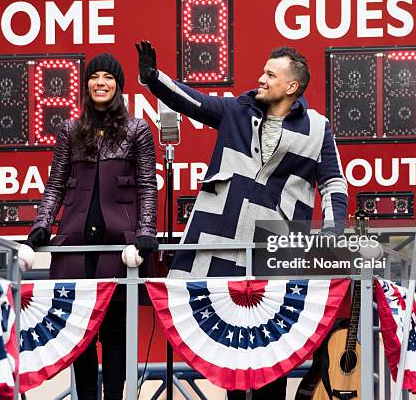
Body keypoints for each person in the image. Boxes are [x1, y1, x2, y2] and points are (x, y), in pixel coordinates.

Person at [136, 41, 348, 399]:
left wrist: (331, 233)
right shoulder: (237, 110)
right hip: (224, 250)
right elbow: (193, 101)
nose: (260, 79)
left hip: (277, 256)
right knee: (232, 357)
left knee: (272, 354)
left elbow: (333, 183)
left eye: (270, 74)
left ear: (291, 86)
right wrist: (154, 79)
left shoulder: (317, 129)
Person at [25, 53, 158, 400]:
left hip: (120, 249)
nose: (101, 83)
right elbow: (55, 184)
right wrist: (42, 224)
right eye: (95, 76)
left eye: (109, 77)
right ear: (86, 85)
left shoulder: (138, 129)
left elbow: (147, 185)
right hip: (75, 247)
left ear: (119, 85)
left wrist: (146, 231)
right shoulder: (70, 129)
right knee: (78, 331)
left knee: (115, 333)